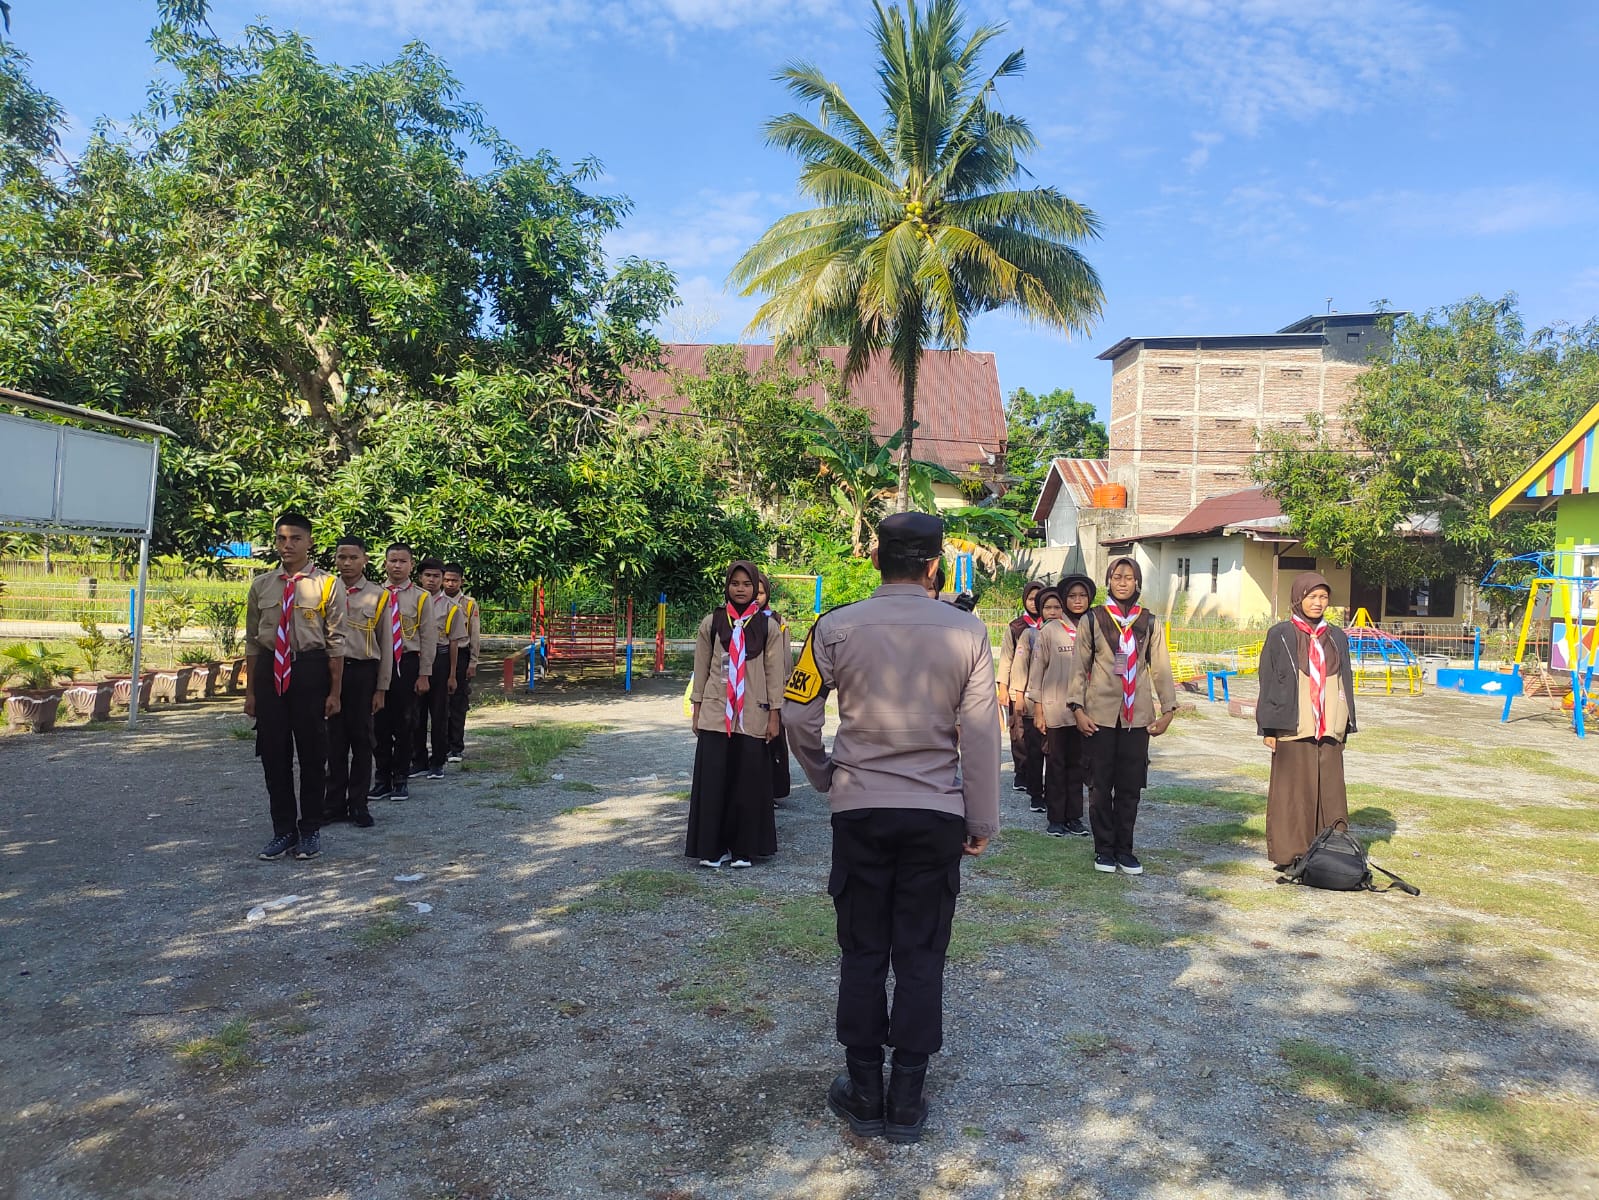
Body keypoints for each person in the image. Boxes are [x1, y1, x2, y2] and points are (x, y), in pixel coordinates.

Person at [784, 512, 1000, 1146]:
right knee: (921, 952)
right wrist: (981, 816)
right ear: (934, 565)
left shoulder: (834, 626)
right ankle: (906, 1097)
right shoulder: (968, 631)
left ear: (876, 558)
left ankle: (863, 1091)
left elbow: (799, 715)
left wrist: (827, 775)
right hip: (935, 812)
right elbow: (982, 733)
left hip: (860, 809)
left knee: (863, 949)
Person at [1065, 557, 1178, 875]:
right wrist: (1077, 708)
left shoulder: (1149, 622)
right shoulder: (1093, 619)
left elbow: (1161, 668)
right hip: (1099, 715)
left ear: (1138, 583)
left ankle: (1125, 849)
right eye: (1117, 576)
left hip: (1137, 717)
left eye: (1129, 577)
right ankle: (1103, 849)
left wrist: (1168, 709)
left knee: (1130, 786)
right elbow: (1079, 667)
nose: (1123, 582)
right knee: (1100, 785)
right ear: (1108, 581)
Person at [245, 512, 344, 861]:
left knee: (313, 753)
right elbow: (253, 641)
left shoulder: (328, 585)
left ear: (309, 541)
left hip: (309, 670)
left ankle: (310, 829)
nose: (288, 545)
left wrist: (334, 692)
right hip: (271, 672)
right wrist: (251, 692)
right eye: (282, 539)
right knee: (274, 753)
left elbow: (336, 643)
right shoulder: (262, 585)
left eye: (295, 538)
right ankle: (282, 830)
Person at [685, 562, 785, 868]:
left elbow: (774, 672)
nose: (740, 589)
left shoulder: (768, 624)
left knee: (748, 781)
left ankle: (744, 848)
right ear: (727, 585)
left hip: (753, 712)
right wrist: (697, 708)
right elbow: (701, 668)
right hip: (717, 712)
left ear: (756, 587)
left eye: (746, 584)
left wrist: (775, 715)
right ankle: (713, 849)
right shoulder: (713, 622)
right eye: (735, 583)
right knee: (714, 780)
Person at [1257, 572, 1357, 869]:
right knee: (1292, 794)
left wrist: (1345, 723)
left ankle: (1330, 852)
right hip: (1293, 725)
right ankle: (1291, 855)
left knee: (1330, 792)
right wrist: (1268, 727)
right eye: (1311, 596)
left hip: (1328, 725)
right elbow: (1269, 679)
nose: (1317, 603)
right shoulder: (1281, 634)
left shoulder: (1336, 636)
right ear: (1298, 597)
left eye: (1323, 597)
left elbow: (1345, 680)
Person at [325, 536, 390, 828]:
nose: (347, 563)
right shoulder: (324, 590)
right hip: (330, 673)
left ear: (365, 559)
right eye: (341, 557)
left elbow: (385, 645)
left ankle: (359, 804)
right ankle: (334, 804)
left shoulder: (378, 595)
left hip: (363, 674)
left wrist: (381, 688)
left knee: (362, 741)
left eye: (353, 557)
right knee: (332, 742)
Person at [1028, 577, 1095, 838]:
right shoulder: (1050, 630)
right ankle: (1055, 818)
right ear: (1064, 599)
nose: (1077, 601)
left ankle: (1074, 817)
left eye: (1082, 596)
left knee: (1078, 766)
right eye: (1072, 596)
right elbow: (1037, 670)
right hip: (1056, 709)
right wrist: (1038, 710)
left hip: (1086, 712)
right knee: (1055, 764)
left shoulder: (1094, 627)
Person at [369, 543, 435, 803]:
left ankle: (400, 779)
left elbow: (428, 637)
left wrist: (424, 673)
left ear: (411, 565)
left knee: (405, 723)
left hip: (407, 664)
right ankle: (381, 778)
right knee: (378, 725)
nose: (397, 566)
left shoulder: (421, 597)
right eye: (392, 560)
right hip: (378, 664)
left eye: (402, 561)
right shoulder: (374, 593)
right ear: (384, 563)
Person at [412, 557, 464, 781]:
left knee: (440, 713)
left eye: (436, 576)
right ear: (420, 577)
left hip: (440, 661)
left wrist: (452, 674)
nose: (431, 580)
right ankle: (419, 760)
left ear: (442, 579)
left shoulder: (452, 607)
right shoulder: (411, 601)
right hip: (415, 659)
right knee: (415, 713)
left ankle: (437, 761)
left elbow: (454, 642)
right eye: (427, 575)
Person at [998, 581, 1045, 797]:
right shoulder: (1016, 627)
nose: (1034, 603)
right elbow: (1006, 659)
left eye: (1039, 598)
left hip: (1043, 691)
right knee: (1019, 732)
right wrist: (1003, 688)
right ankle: (1021, 771)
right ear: (1024, 600)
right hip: (1019, 688)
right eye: (1030, 598)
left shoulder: (1052, 625)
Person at [1008, 593, 1047, 816]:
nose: (1052, 611)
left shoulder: (1071, 633)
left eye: (1056, 607)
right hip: (1032, 702)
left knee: (1056, 756)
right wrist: (1017, 695)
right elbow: (1017, 665)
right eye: (1047, 607)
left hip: (1058, 706)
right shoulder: (1025, 632)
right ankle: (1035, 793)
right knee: (1033, 750)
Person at [756, 573, 792, 803]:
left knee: (772, 741)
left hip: (772, 690)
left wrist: (784, 685)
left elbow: (785, 658)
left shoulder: (778, 621)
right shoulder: (733, 621)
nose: (755, 597)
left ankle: (772, 791)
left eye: (760, 592)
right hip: (745, 690)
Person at [441, 563, 481, 764]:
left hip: (462, 654)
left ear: (461, 581)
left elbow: (474, 633)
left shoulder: (468, 603)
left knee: (458, 701)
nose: (449, 584)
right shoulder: (431, 600)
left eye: (454, 580)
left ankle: (456, 747)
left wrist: (473, 662)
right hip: (439, 653)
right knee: (439, 702)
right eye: (446, 580)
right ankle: (441, 747)